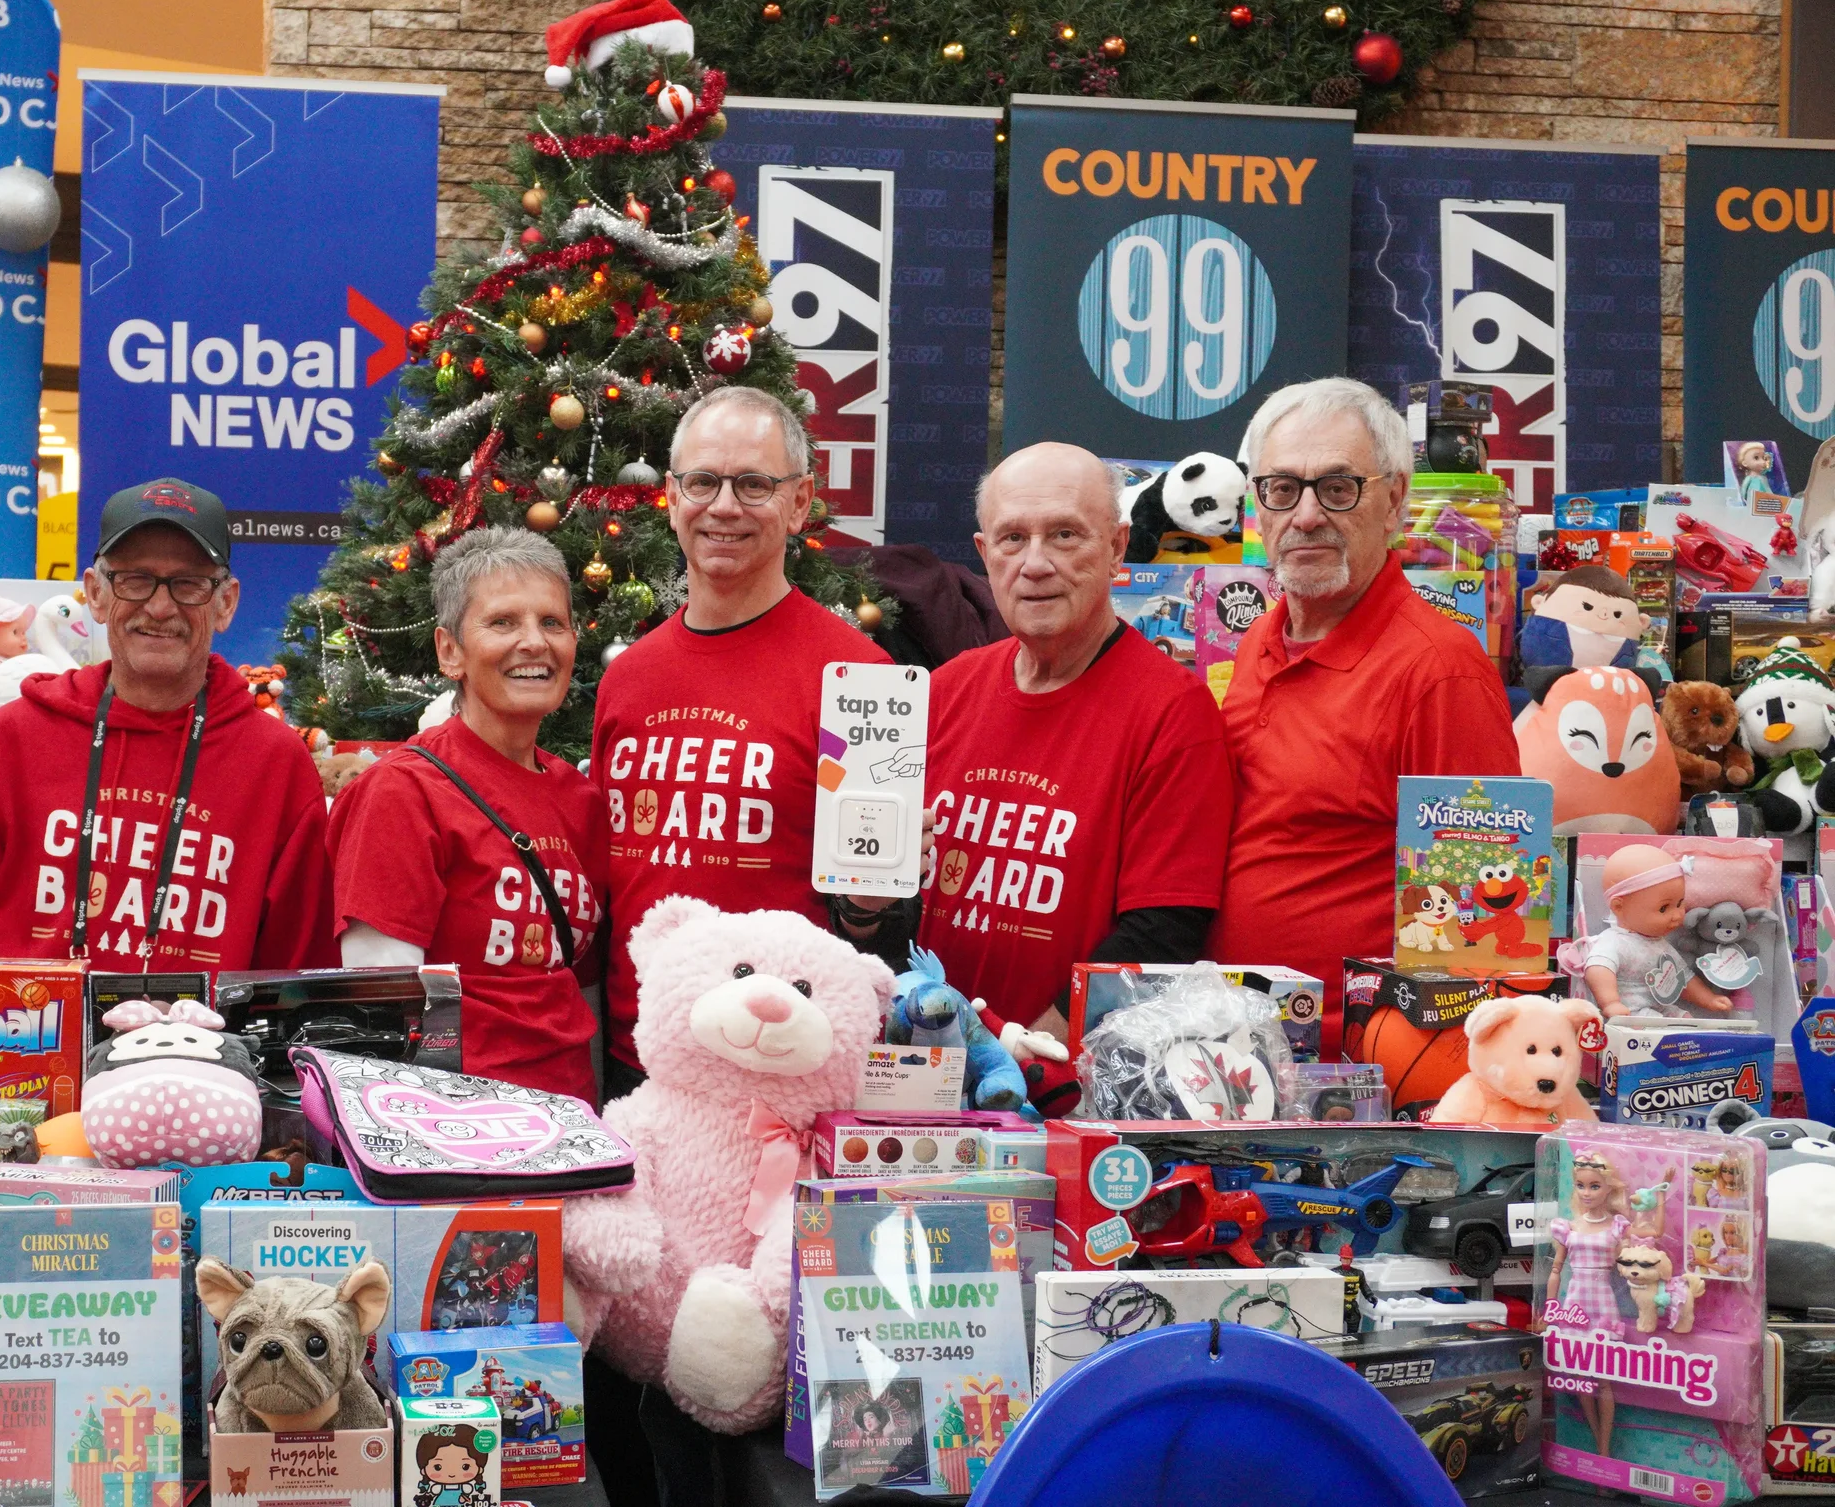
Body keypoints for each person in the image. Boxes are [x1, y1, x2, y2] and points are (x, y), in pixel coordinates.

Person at [591, 386, 890, 1100]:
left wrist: (871, 904)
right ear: (671, 495)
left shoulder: (859, 678)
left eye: (754, 483)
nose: (724, 506)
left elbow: (873, 920)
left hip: (780, 1074)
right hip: (639, 1061)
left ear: (799, 502)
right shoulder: (627, 678)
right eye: (703, 481)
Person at [0, 476, 333, 970]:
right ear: (95, 594)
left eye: (189, 583)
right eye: (134, 579)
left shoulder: (276, 764)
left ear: (226, 603)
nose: (159, 606)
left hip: (208, 1047)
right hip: (29, 1046)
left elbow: (298, 978)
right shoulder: (10, 743)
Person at [1211, 378, 1520, 1043]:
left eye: (1338, 487)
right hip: (1236, 1048)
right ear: (1258, 505)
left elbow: (1478, 927)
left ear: (1395, 501)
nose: (1307, 515)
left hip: (1351, 1072)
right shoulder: (1260, 639)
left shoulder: (1442, 670)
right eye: (1283, 489)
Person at [918, 443, 1233, 1040]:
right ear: (985, 556)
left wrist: (1026, 1060)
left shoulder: (1174, 713)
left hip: (1059, 1098)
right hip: (918, 1071)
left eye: (1065, 535)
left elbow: (1162, 931)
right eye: (1012, 539)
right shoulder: (945, 690)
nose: (1034, 564)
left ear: (1116, 547)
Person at [327, 529, 604, 1102]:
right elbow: (385, 1005)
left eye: (553, 623)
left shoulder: (581, 799)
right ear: (449, 650)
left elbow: (584, 984)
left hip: (575, 1122)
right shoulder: (403, 792)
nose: (534, 642)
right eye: (503, 623)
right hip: (458, 1127)